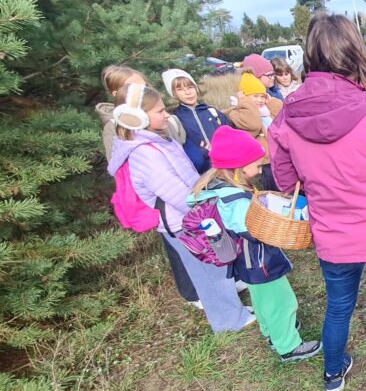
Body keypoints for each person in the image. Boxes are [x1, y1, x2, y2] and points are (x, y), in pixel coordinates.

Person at [268, 14, 366, 391]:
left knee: (339, 306)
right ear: (353, 52)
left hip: (331, 235)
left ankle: (333, 373)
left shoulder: (286, 114)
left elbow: (286, 182)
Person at [109, 84, 255, 332]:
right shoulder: (145, 153)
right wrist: (206, 205)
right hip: (182, 222)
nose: (166, 115)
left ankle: (233, 311)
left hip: (191, 216)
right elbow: (175, 194)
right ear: (138, 118)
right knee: (206, 273)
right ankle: (228, 321)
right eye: (159, 111)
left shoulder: (158, 141)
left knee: (214, 268)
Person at [189, 127, 321, 362]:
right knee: (282, 302)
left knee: (261, 299)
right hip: (259, 259)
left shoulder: (218, 191)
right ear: (238, 168)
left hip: (245, 261)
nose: (260, 169)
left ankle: (271, 332)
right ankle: (288, 345)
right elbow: (252, 231)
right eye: (257, 164)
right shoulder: (237, 199)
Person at [97, 65, 202, 309]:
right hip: (164, 200)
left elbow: (178, 140)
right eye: (136, 86)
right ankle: (192, 292)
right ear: (117, 94)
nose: (145, 88)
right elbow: (121, 164)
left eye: (144, 83)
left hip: (180, 187)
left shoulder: (156, 117)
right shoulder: (116, 128)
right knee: (177, 244)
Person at [161, 68, 230, 173]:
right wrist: (201, 153)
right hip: (202, 173)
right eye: (180, 89)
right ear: (173, 94)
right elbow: (179, 150)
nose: (188, 92)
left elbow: (230, 135)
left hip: (227, 166)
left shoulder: (211, 111)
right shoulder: (176, 118)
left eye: (190, 87)